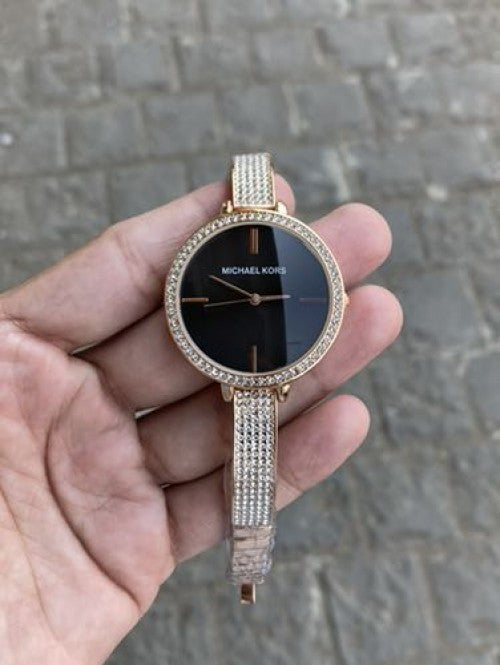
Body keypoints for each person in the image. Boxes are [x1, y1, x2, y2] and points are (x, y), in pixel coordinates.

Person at [0, 176, 402, 664]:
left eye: (261, 295)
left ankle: (249, 562)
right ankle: (248, 564)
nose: (255, 298)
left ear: (334, 301)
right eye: (247, 295)